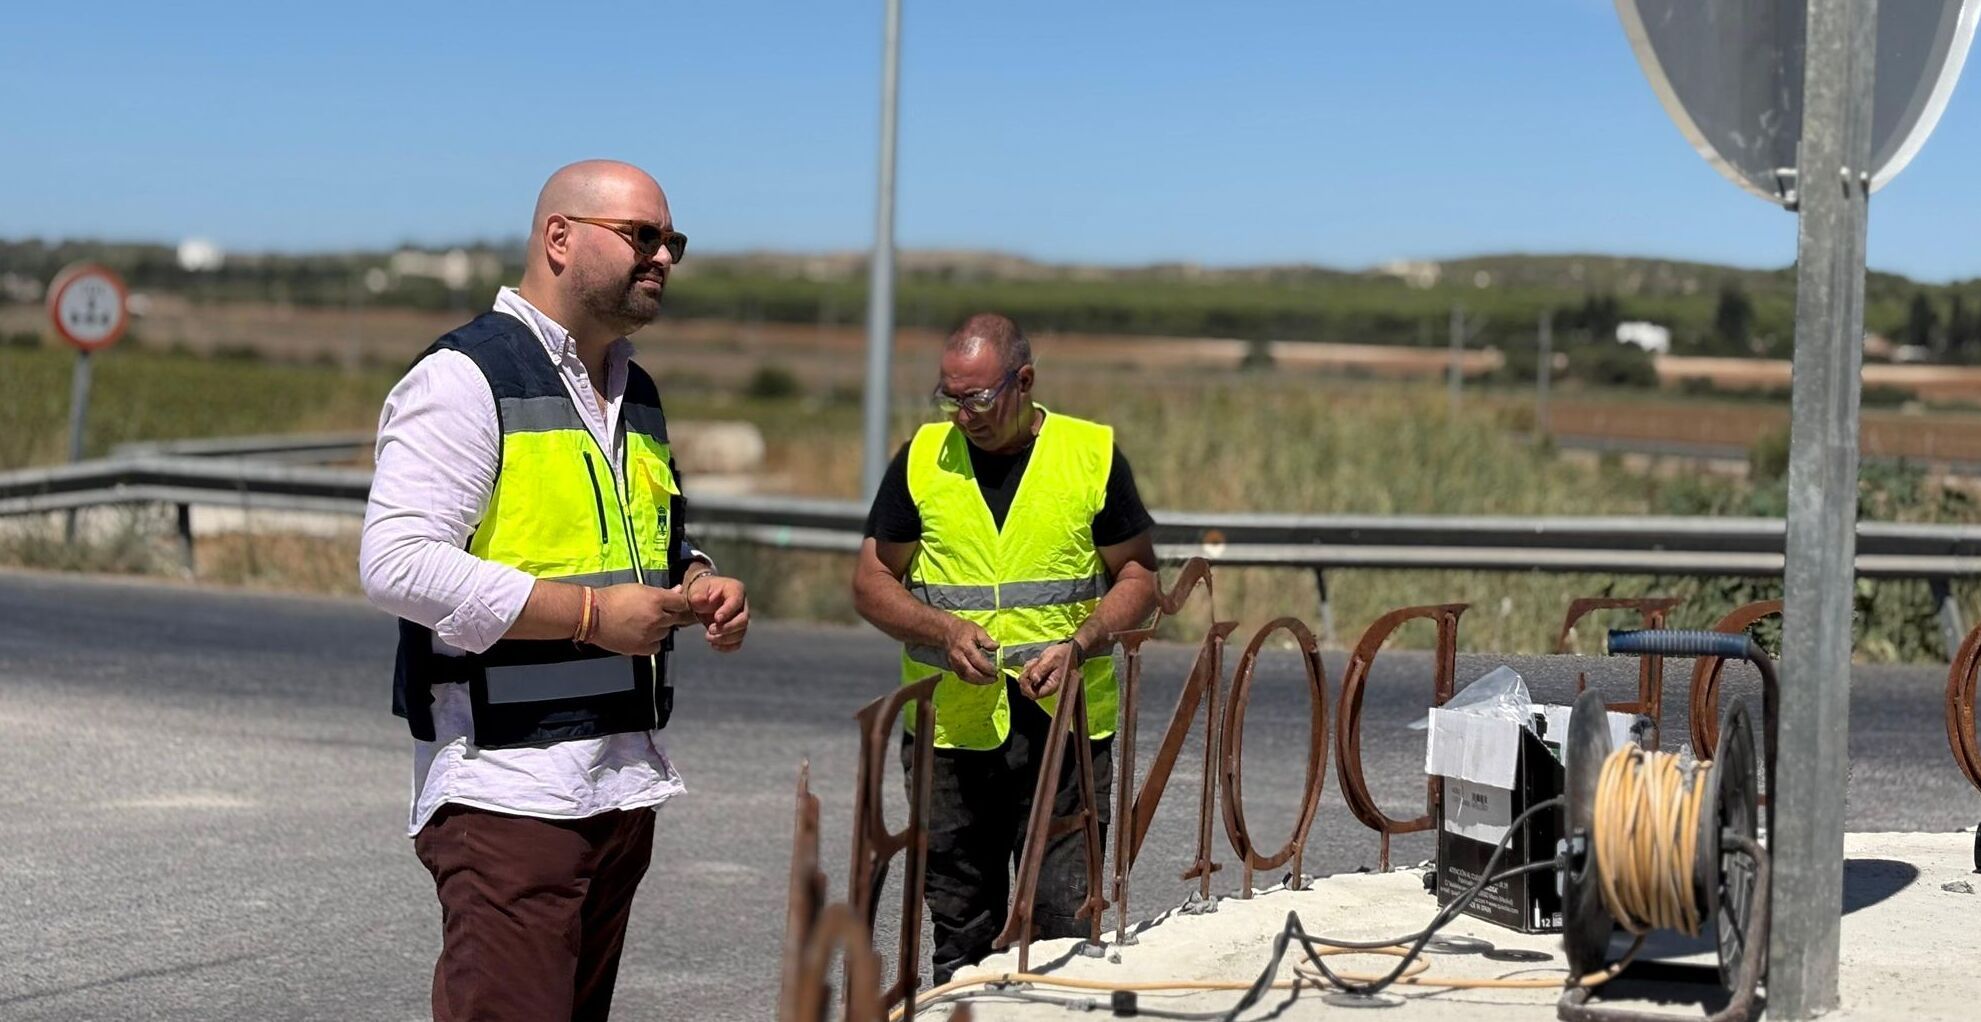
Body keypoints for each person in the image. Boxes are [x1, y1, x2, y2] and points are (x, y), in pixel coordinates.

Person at [359, 159, 749, 1022]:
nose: (663, 259)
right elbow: (395, 561)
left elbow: (653, 535)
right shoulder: (468, 377)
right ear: (559, 239)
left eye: (671, 241)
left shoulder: (631, 388)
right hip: (509, 790)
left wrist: (696, 579)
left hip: (615, 784)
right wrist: (590, 618)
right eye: (641, 237)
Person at [851, 312, 1160, 983]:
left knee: (1060, 930)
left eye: (979, 397)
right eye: (950, 397)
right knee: (961, 926)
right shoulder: (921, 460)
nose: (963, 415)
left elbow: (1138, 575)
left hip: (1066, 733)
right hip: (951, 732)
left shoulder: (1089, 456)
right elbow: (871, 582)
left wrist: (1081, 644)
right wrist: (943, 629)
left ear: (1023, 382)